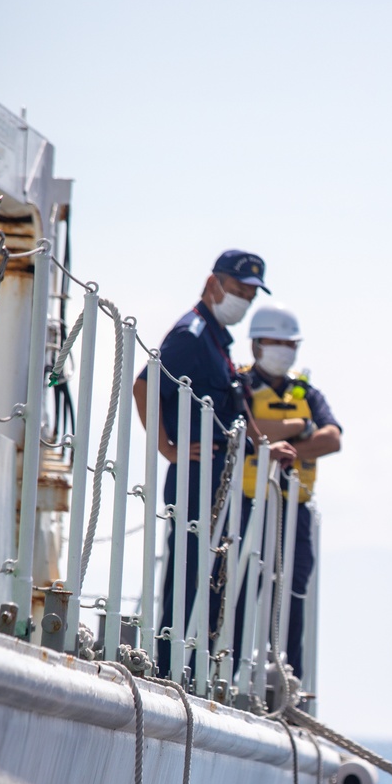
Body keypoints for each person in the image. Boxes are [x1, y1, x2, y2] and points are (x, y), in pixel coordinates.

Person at [133, 250, 295, 678]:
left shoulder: (217, 340)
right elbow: (144, 385)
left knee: (216, 577)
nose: (242, 300)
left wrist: (263, 449)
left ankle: (196, 668)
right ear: (214, 284)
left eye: (249, 294)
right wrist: (166, 447)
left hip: (219, 480)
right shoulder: (192, 334)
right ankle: (170, 670)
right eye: (238, 290)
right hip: (196, 478)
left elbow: (230, 415)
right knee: (188, 575)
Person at [239, 303, 342, 679]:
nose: (283, 349)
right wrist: (299, 425)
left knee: (293, 591)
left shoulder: (308, 391)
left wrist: (286, 447)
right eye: (274, 341)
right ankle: (229, 666)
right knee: (239, 587)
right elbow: (247, 428)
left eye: (289, 343)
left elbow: (332, 438)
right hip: (247, 505)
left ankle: (287, 677)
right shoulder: (240, 385)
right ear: (256, 345)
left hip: (293, 509)